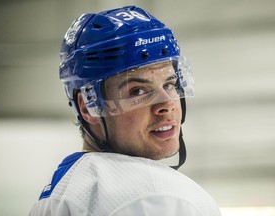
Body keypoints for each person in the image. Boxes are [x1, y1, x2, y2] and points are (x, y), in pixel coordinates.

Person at [29, 5, 221, 216]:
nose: (167, 104)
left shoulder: (60, 192)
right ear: (88, 107)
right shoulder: (156, 196)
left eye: (170, 84)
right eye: (138, 91)